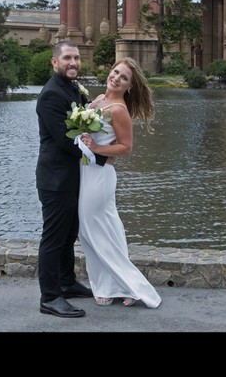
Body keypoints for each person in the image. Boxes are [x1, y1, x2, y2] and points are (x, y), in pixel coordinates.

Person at [77, 57, 162, 309]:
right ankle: (120, 286)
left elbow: (126, 147)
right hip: (85, 171)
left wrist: (97, 147)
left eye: (124, 77)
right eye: (116, 72)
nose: (116, 78)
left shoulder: (119, 109)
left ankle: (119, 285)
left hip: (101, 175)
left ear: (129, 86)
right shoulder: (98, 101)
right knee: (108, 227)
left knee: (90, 227)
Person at [35, 40, 107, 318]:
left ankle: (66, 282)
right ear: (55, 62)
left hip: (72, 178)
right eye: (67, 58)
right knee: (53, 238)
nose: (73, 62)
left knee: (68, 235)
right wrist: (103, 157)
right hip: (55, 179)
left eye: (76, 58)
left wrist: (96, 107)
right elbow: (66, 142)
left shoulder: (73, 88)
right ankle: (50, 297)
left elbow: (84, 120)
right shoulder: (51, 95)